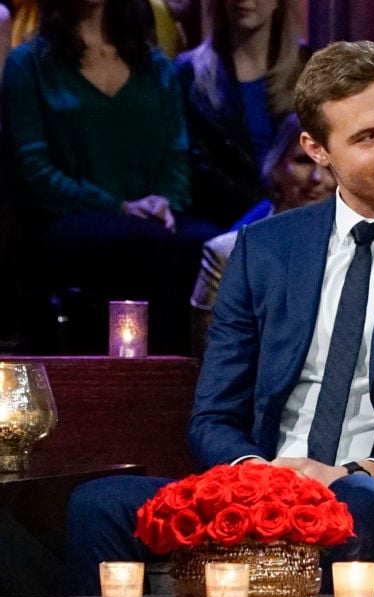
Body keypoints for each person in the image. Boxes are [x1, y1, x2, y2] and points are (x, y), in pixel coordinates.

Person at [66, 40, 374, 596]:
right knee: (97, 505)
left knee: (355, 504)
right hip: (267, 485)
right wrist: (258, 475)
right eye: (368, 137)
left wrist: (360, 472)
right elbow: (213, 416)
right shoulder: (264, 248)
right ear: (317, 149)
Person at [0, 0, 220, 354]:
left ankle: (188, 378)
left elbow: (176, 156)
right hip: (67, 220)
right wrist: (119, 207)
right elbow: (35, 170)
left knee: (210, 245)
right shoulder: (28, 64)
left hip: (153, 220)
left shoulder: (156, 66)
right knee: (147, 244)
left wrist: (164, 201)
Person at [189, 111, 337, 356]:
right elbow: (215, 361)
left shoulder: (366, 251)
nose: (317, 177)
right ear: (277, 166)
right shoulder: (228, 255)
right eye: (303, 160)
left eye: (329, 166)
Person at [176, 0, 304, 228]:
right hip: (224, 222)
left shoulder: (311, 68)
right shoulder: (189, 74)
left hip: (301, 215)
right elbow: (199, 171)